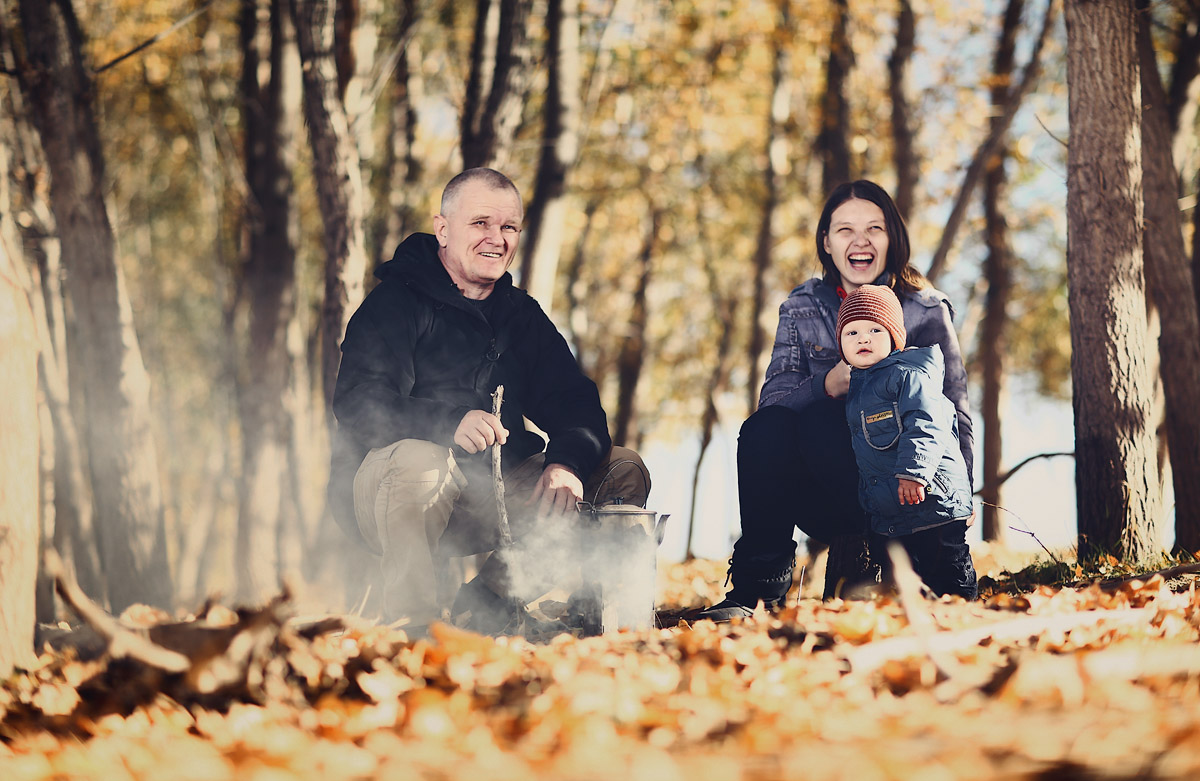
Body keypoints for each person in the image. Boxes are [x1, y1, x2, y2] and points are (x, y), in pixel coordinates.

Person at [328, 167, 650, 635]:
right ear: (443, 229)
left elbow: (576, 405)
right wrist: (447, 422)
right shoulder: (395, 302)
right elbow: (357, 402)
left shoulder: (521, 316)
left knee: (621, 469)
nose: (496, 238)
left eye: (508, 226)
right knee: (423, 460)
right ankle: (412, 629)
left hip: (492, 494)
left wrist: (565, 464)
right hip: (390, 492)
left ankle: (490, 602)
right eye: (480, 223)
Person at [697, 179, 974, 619]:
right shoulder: (802, 307)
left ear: (892, 239)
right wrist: (827, 385)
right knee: (770, 426)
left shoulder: (924, 308)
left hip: (907, 493)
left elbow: (953, 408)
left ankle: (916, 575)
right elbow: (774, 400)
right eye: (845, 230)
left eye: (874, 229)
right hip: (831, 490)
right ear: (826, 242)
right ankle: (756, 593)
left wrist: (963, 496)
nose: (860, 240)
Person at [835, 285, 977, 598]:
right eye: (851, 333)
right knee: (904, 583)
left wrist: (914, 472)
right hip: (893, 514)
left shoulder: (907, 376)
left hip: (934, 500)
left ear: (895, 337)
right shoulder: (857, 390)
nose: (863, 338)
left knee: (948, 573)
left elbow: (928, 422)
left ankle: (964, 612)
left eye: (875, 329)